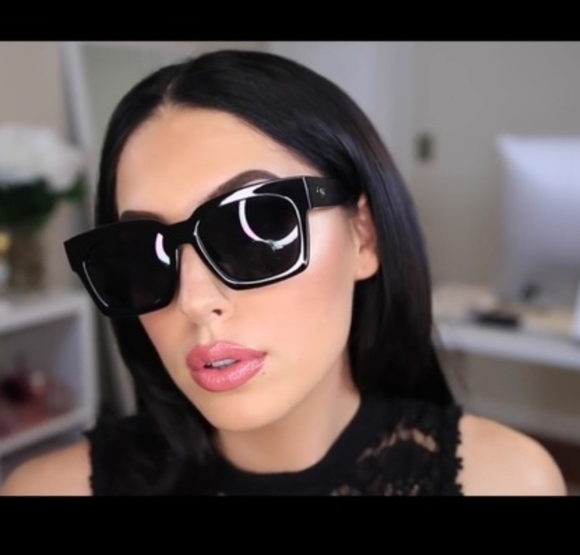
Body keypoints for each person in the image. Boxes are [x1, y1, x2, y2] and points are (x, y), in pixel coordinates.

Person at [0, 49, 566, 496]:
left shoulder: (505, 481)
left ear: (364, 235)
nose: (193, 300)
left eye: (255, 227)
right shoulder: (46, 490)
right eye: (142, 252)